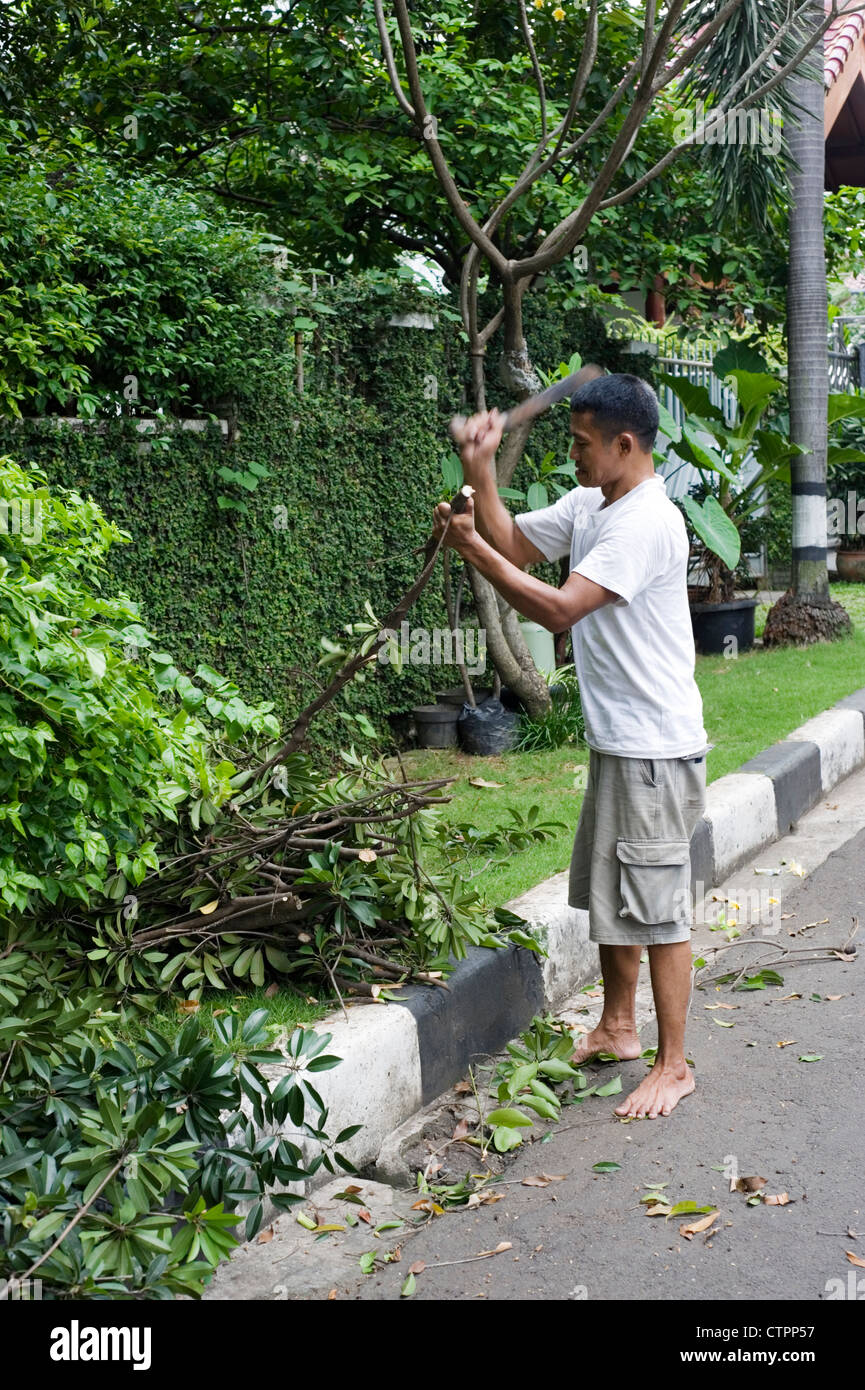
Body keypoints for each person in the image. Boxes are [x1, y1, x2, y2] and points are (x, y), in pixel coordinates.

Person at [433, 372, 709, 1119]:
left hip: (654, 748)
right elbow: (514, 541)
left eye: (583, 445)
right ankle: (618, 1028)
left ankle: (674, 1064)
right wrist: (479, 472)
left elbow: (557, 609)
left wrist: (470, 554)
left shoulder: (643, 522)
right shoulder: (594, 504)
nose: (574, 456)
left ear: (626, 444)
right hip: (620, 744)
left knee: (657, 910)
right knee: (614, 895)